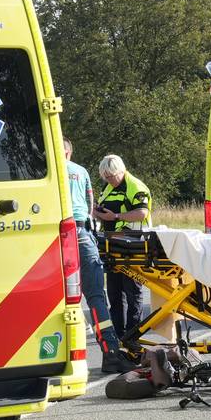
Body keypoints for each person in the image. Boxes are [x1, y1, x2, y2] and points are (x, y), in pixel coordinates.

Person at [63, 138, 135, 374]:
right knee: (95, 296)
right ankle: (111, 353)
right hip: (80, 232)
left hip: (53, 236)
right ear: (69, 153)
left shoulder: (42, 171)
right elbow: (89, 205)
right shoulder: (80, 171)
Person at [93, 154, 152, 339]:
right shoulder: (108, 187)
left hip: (133, 245)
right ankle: (118, 335)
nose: (109, 180)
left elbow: (142, 213)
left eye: (111, 176)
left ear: (120, 170)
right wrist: (96, 212)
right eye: (106, 177)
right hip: (112, 245)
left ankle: (133, 335)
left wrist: (116, 216)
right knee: (115, 293)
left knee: (132, 291)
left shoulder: (135, 186)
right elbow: (103, 208)